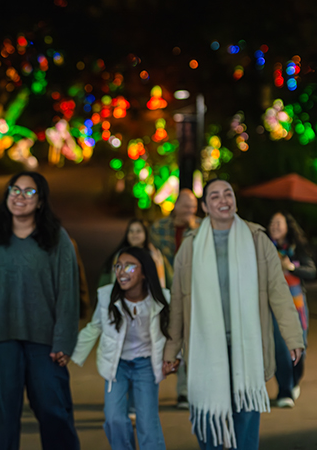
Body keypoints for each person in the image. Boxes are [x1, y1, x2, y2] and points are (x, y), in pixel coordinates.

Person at [163, 179, 304, 450]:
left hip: (247, 348)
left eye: (228, 193)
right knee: (210, 423)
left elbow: (278, 290)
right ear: (204, 206)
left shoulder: (257, 239)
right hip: (206, 350)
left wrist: (293, 336)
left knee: (245, 421)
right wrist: (171, 350)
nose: (223, 199)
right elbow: (178, 303)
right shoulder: (191, 247)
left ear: (235, 201)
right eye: (214, 196)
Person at [0, 171, 80, 450]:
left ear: (40, 202)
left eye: (29, 192)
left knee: (55, 412)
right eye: (15, 189)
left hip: (45, 342)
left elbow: (68, 293)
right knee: (1, 419)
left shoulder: (56, 239)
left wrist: (64, 340)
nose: (19, 196)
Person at [72, 246, 170, 450]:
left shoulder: (161, 300)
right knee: (114, 418)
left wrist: (174, 357)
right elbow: (95, 326)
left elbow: (173, 332)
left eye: (130, 267)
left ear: (144, 272)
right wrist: (70, 351)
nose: (121, 271)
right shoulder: (107, 296)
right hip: (117, 365)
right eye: (118, 266)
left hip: (146, 364)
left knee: (147, 421)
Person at [150, 189, 200, 409]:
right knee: (159, 341)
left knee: (188, 341)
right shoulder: (158, 228)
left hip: (192, 294)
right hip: (165, 293)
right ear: (176, 205)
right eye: (186, 205)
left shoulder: (202, 228)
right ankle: (146, 391)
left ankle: (184, 391)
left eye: (193, 207)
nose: (190, 210)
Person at [268, 211, 316, 408]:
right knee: (280, 348)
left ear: (287, 226)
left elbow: (311, 271)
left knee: (299, 345)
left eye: (278, 223)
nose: (274, 226)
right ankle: (284, 390)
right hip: (273, 305)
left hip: (296, 305)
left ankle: (295, 380)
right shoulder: (265, 248)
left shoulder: (297, 249)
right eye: (272, 223)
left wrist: (291, 268)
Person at [99, 219, 172, 289]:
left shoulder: (157, 257)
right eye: (131, 231)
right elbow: (104, 282)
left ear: (146, 233)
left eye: (138, 231)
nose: (134, 234)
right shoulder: (118, 257)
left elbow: (170, 282)